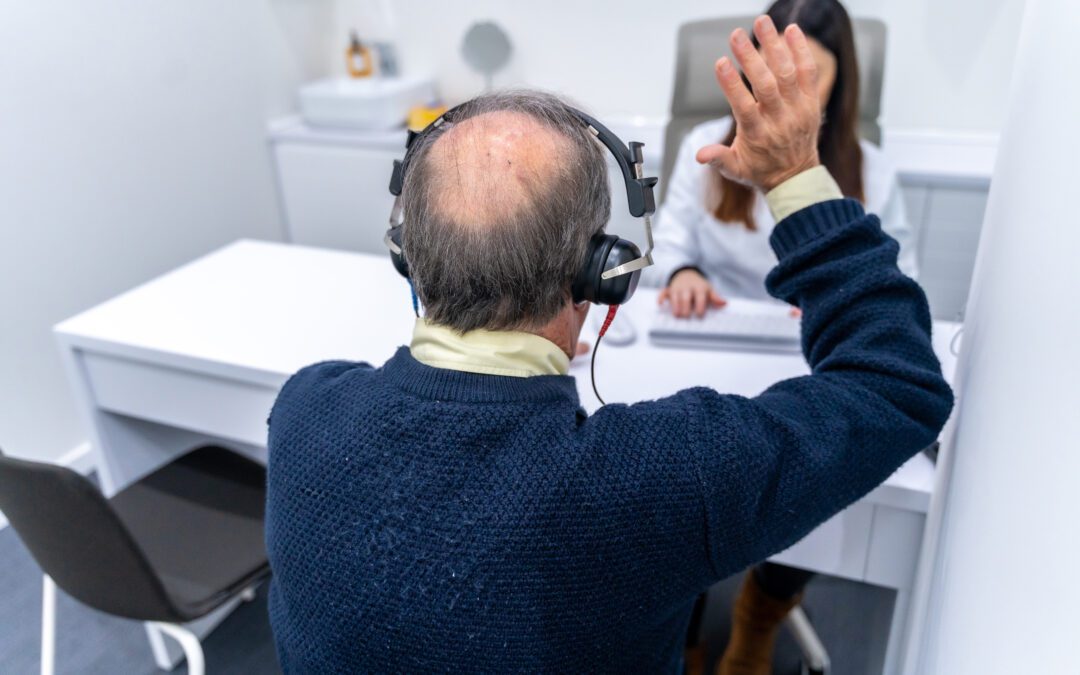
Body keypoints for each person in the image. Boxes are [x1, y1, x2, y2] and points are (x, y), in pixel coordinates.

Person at [264, 16, 952, 673]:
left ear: (407, 255)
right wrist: (795, 176)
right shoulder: (663, 478)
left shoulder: (302, 410)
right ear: (603, 274)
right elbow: (895, 383)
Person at [648, 0, 916, 320]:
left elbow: (900, 281)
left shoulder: (874, 171)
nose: (781, 94)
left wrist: (840, 300)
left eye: (806, 79)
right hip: (717, 321)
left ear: (840, 81)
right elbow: (667, 246)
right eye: (769, 74)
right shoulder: (704, 145)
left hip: (820, 333)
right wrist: (682, 273)